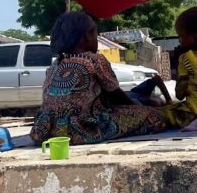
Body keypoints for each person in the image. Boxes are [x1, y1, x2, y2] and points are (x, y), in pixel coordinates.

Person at [31, 12, 167, 145]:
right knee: (155, 116)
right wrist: (136, 106)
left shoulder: (55, 64)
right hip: (82, 129)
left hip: (45, 130)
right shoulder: (94, 60)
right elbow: (116, 96)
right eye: (96, 35)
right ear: (88, 36)